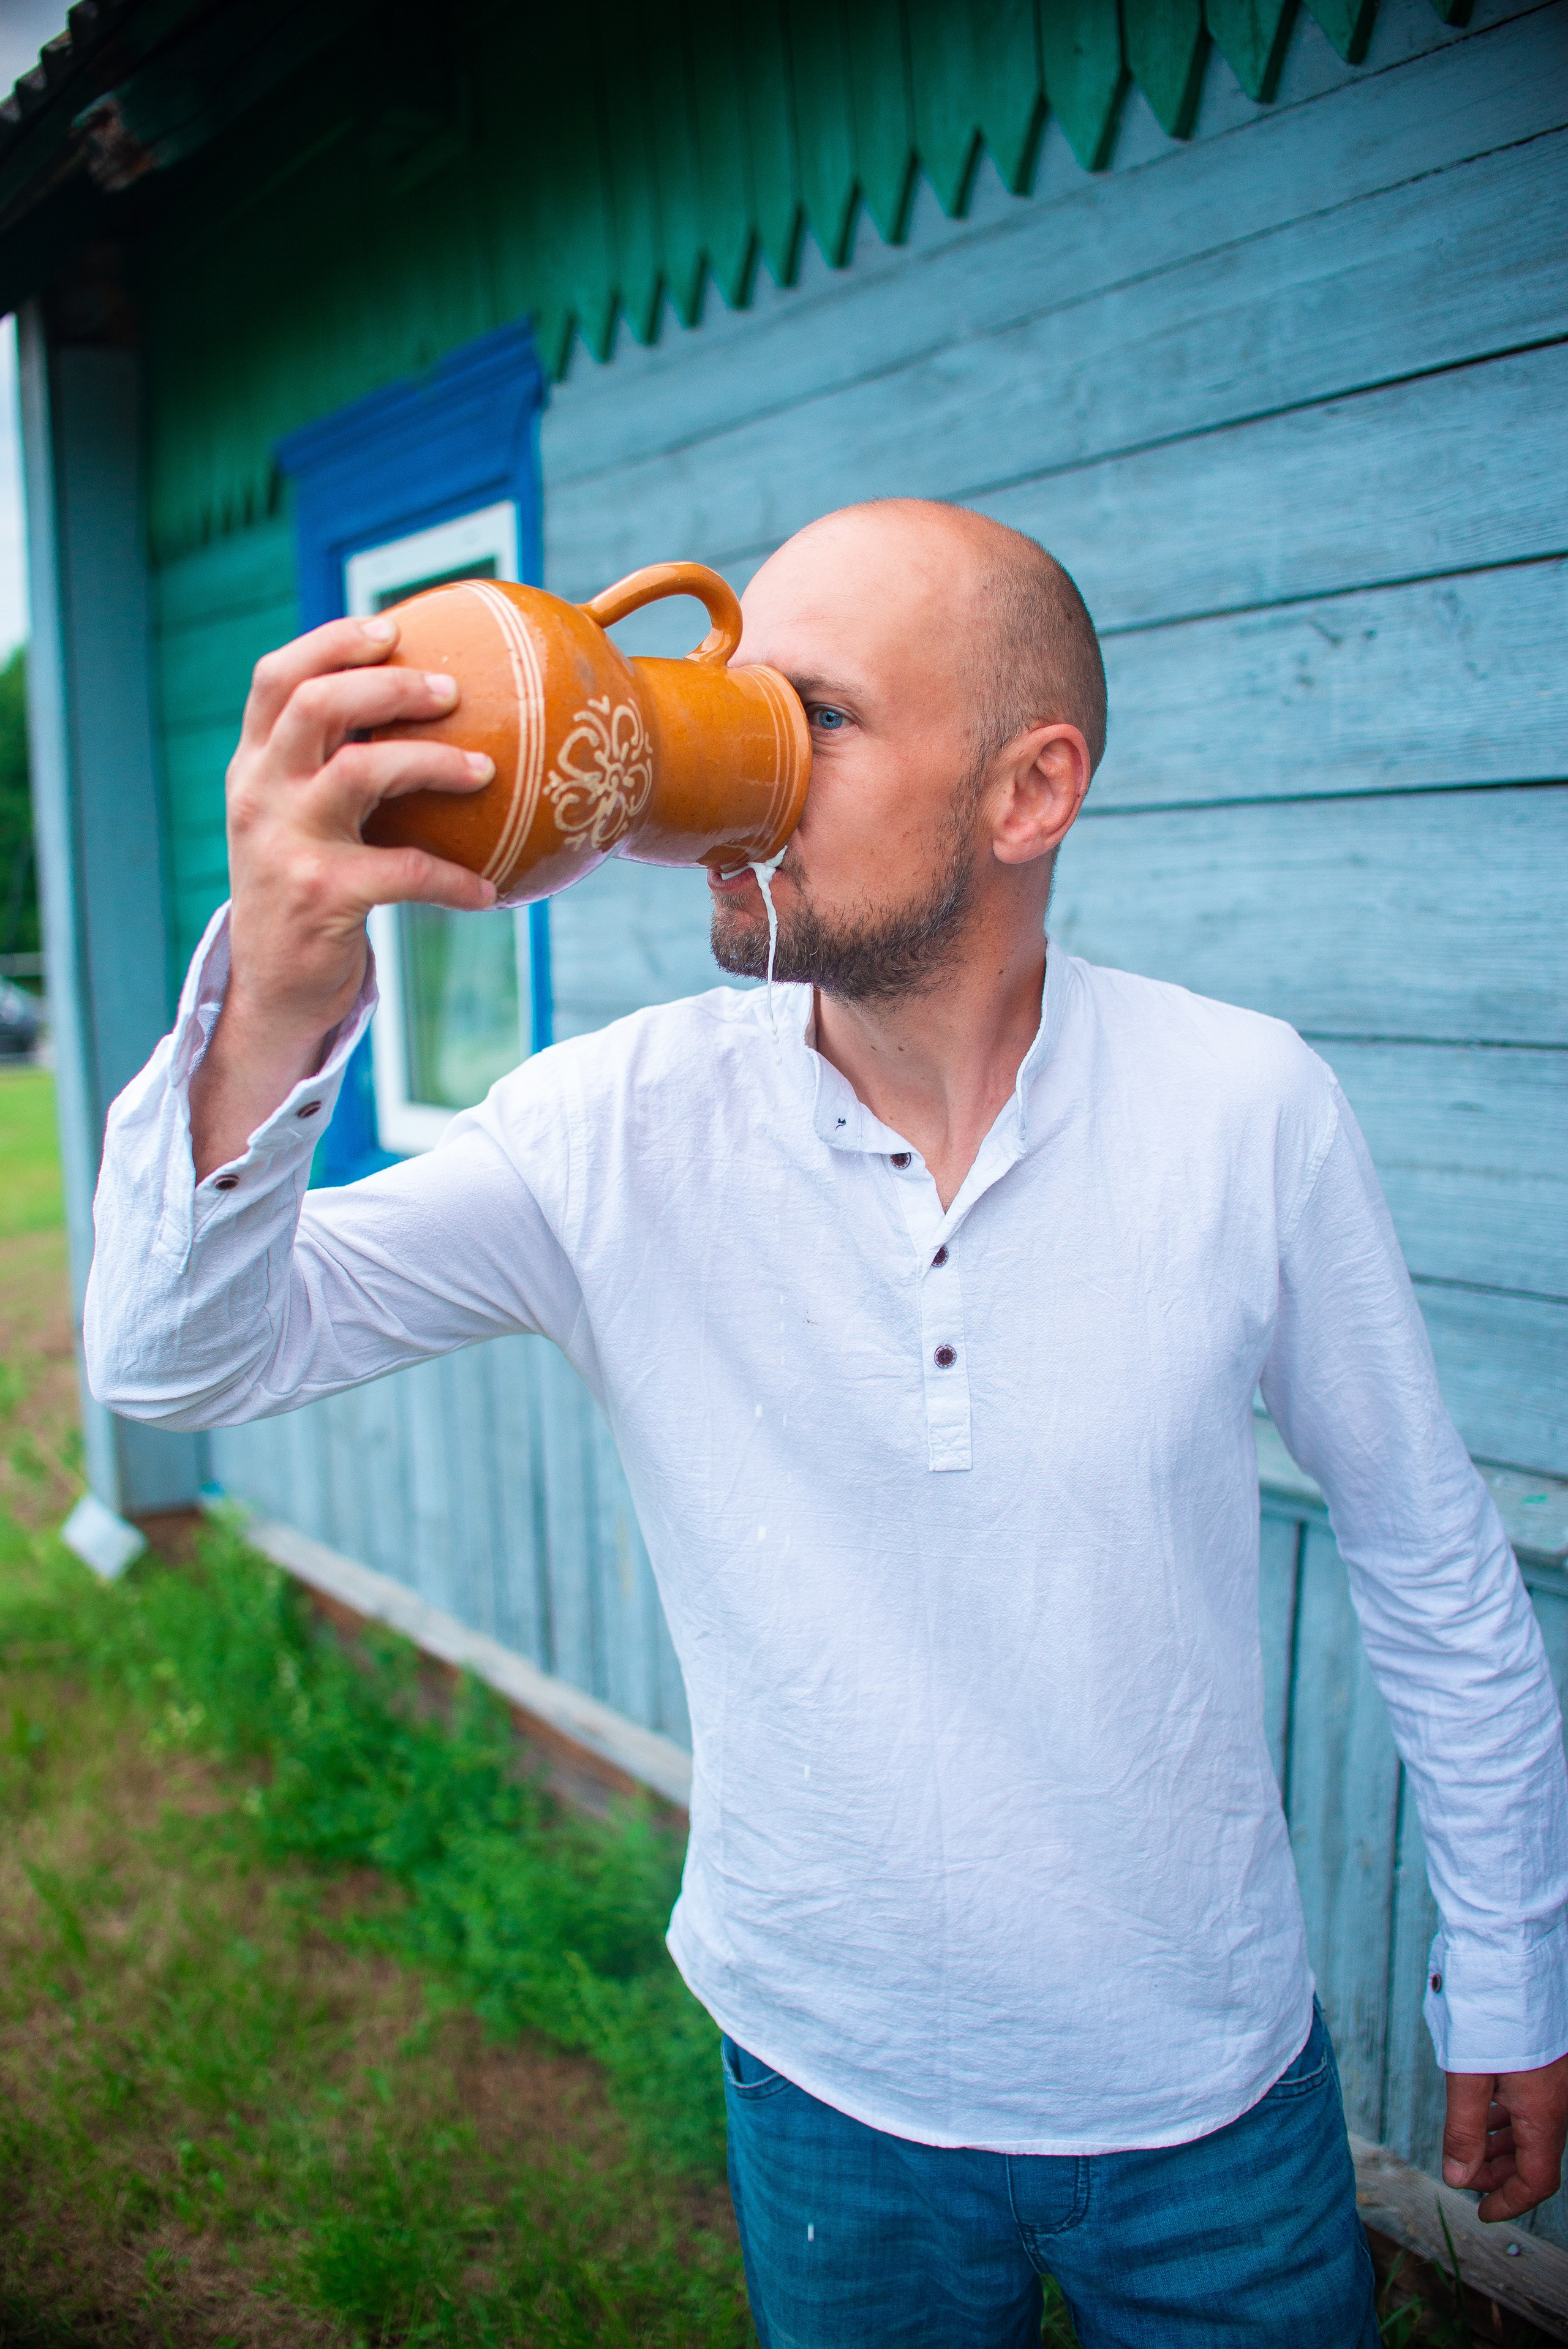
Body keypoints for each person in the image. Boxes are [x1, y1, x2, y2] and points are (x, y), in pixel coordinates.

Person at [86, 500, 1568, 2347]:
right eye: (726, 705)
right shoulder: (608, 1128)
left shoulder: (1245, 1106)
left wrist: (1509, 1975)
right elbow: (175, 1361)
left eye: (818, 719)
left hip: (1210, 2099)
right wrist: (282, 981)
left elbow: (1431, 1565)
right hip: (823, 2085)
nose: (739, 777)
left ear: (1032, 791)